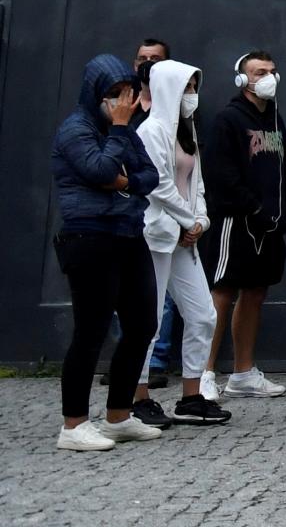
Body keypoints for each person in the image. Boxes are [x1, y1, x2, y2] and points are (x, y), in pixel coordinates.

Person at [51, 55, 164, 451]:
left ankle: (118, 415)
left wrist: (123, 181)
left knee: (142, 325)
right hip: (89, 236)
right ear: (95, 93)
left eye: (127, 94)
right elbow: (98, 170)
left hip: (128, 235)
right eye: (113, 94)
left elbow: (150, 177)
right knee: (91, 331)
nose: (122, 102)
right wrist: (117, 131)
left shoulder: (128, 133)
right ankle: (74, 424)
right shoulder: (75, 129)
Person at [129, 61, 226, 428]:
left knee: (203, 314)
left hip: (185, 238)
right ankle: (138, 397)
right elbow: (158, 185)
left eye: (194, 88)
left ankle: (191, 396)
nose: (192, 96)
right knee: (148, 319)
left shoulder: (187, 133)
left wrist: (200, 220)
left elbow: (194, 184)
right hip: (156, 235)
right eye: (186, 88)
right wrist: (189, 220)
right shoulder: (150, 132)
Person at [199, 50, 286, 401]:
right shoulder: (228, 119)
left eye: (272, 70)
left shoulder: (274, 119)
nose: (268, 77)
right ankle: (203, 372)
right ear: (243, 79)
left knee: (255, 293)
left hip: (270, 225)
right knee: (222, 292)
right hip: (235, 221)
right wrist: (252, 207)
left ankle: (243, 373)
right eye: (259, 72)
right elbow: (221, 174)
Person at [129, 39, 181, 391]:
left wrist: (196, 217)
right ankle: (135, 384)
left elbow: (191, 175)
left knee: (186, 308)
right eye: (142, 59)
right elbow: (152, 180)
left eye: (155, 60)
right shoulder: (134, 115)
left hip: (176, 222)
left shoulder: (181, 121)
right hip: (144, 220)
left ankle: (156, 366)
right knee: (143, 303)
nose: (147, 65)